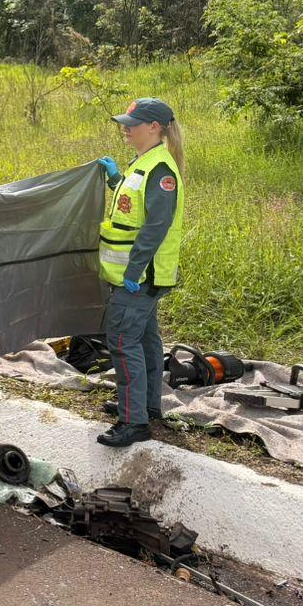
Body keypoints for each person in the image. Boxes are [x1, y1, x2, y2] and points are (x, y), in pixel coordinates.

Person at [93, 97, 185, 448]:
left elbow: (155, 227)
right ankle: (146, 407)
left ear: (154, 128)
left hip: (140, 277)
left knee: (121, 340)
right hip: (140, 276)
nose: (125, 129)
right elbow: (135, 208)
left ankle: (133, 423)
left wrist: (134, 270)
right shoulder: (144, 163)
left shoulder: (162, 171)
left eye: (132, 124)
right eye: (124, 123)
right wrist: (117, 179)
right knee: (145, 340)